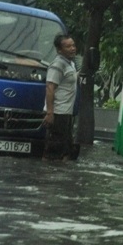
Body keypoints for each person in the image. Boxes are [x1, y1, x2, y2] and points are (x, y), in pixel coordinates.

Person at [42, 33, 78, 161]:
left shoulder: (70, 64)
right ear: (59, 50)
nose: (72, 48)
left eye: (73, 45)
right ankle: (47, 177)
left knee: (66, 151)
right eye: (68, 46)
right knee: (54, 151)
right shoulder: (57, 65)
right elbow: (50, 88)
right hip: (57, 113)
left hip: (66, 113)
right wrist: (50, 113)